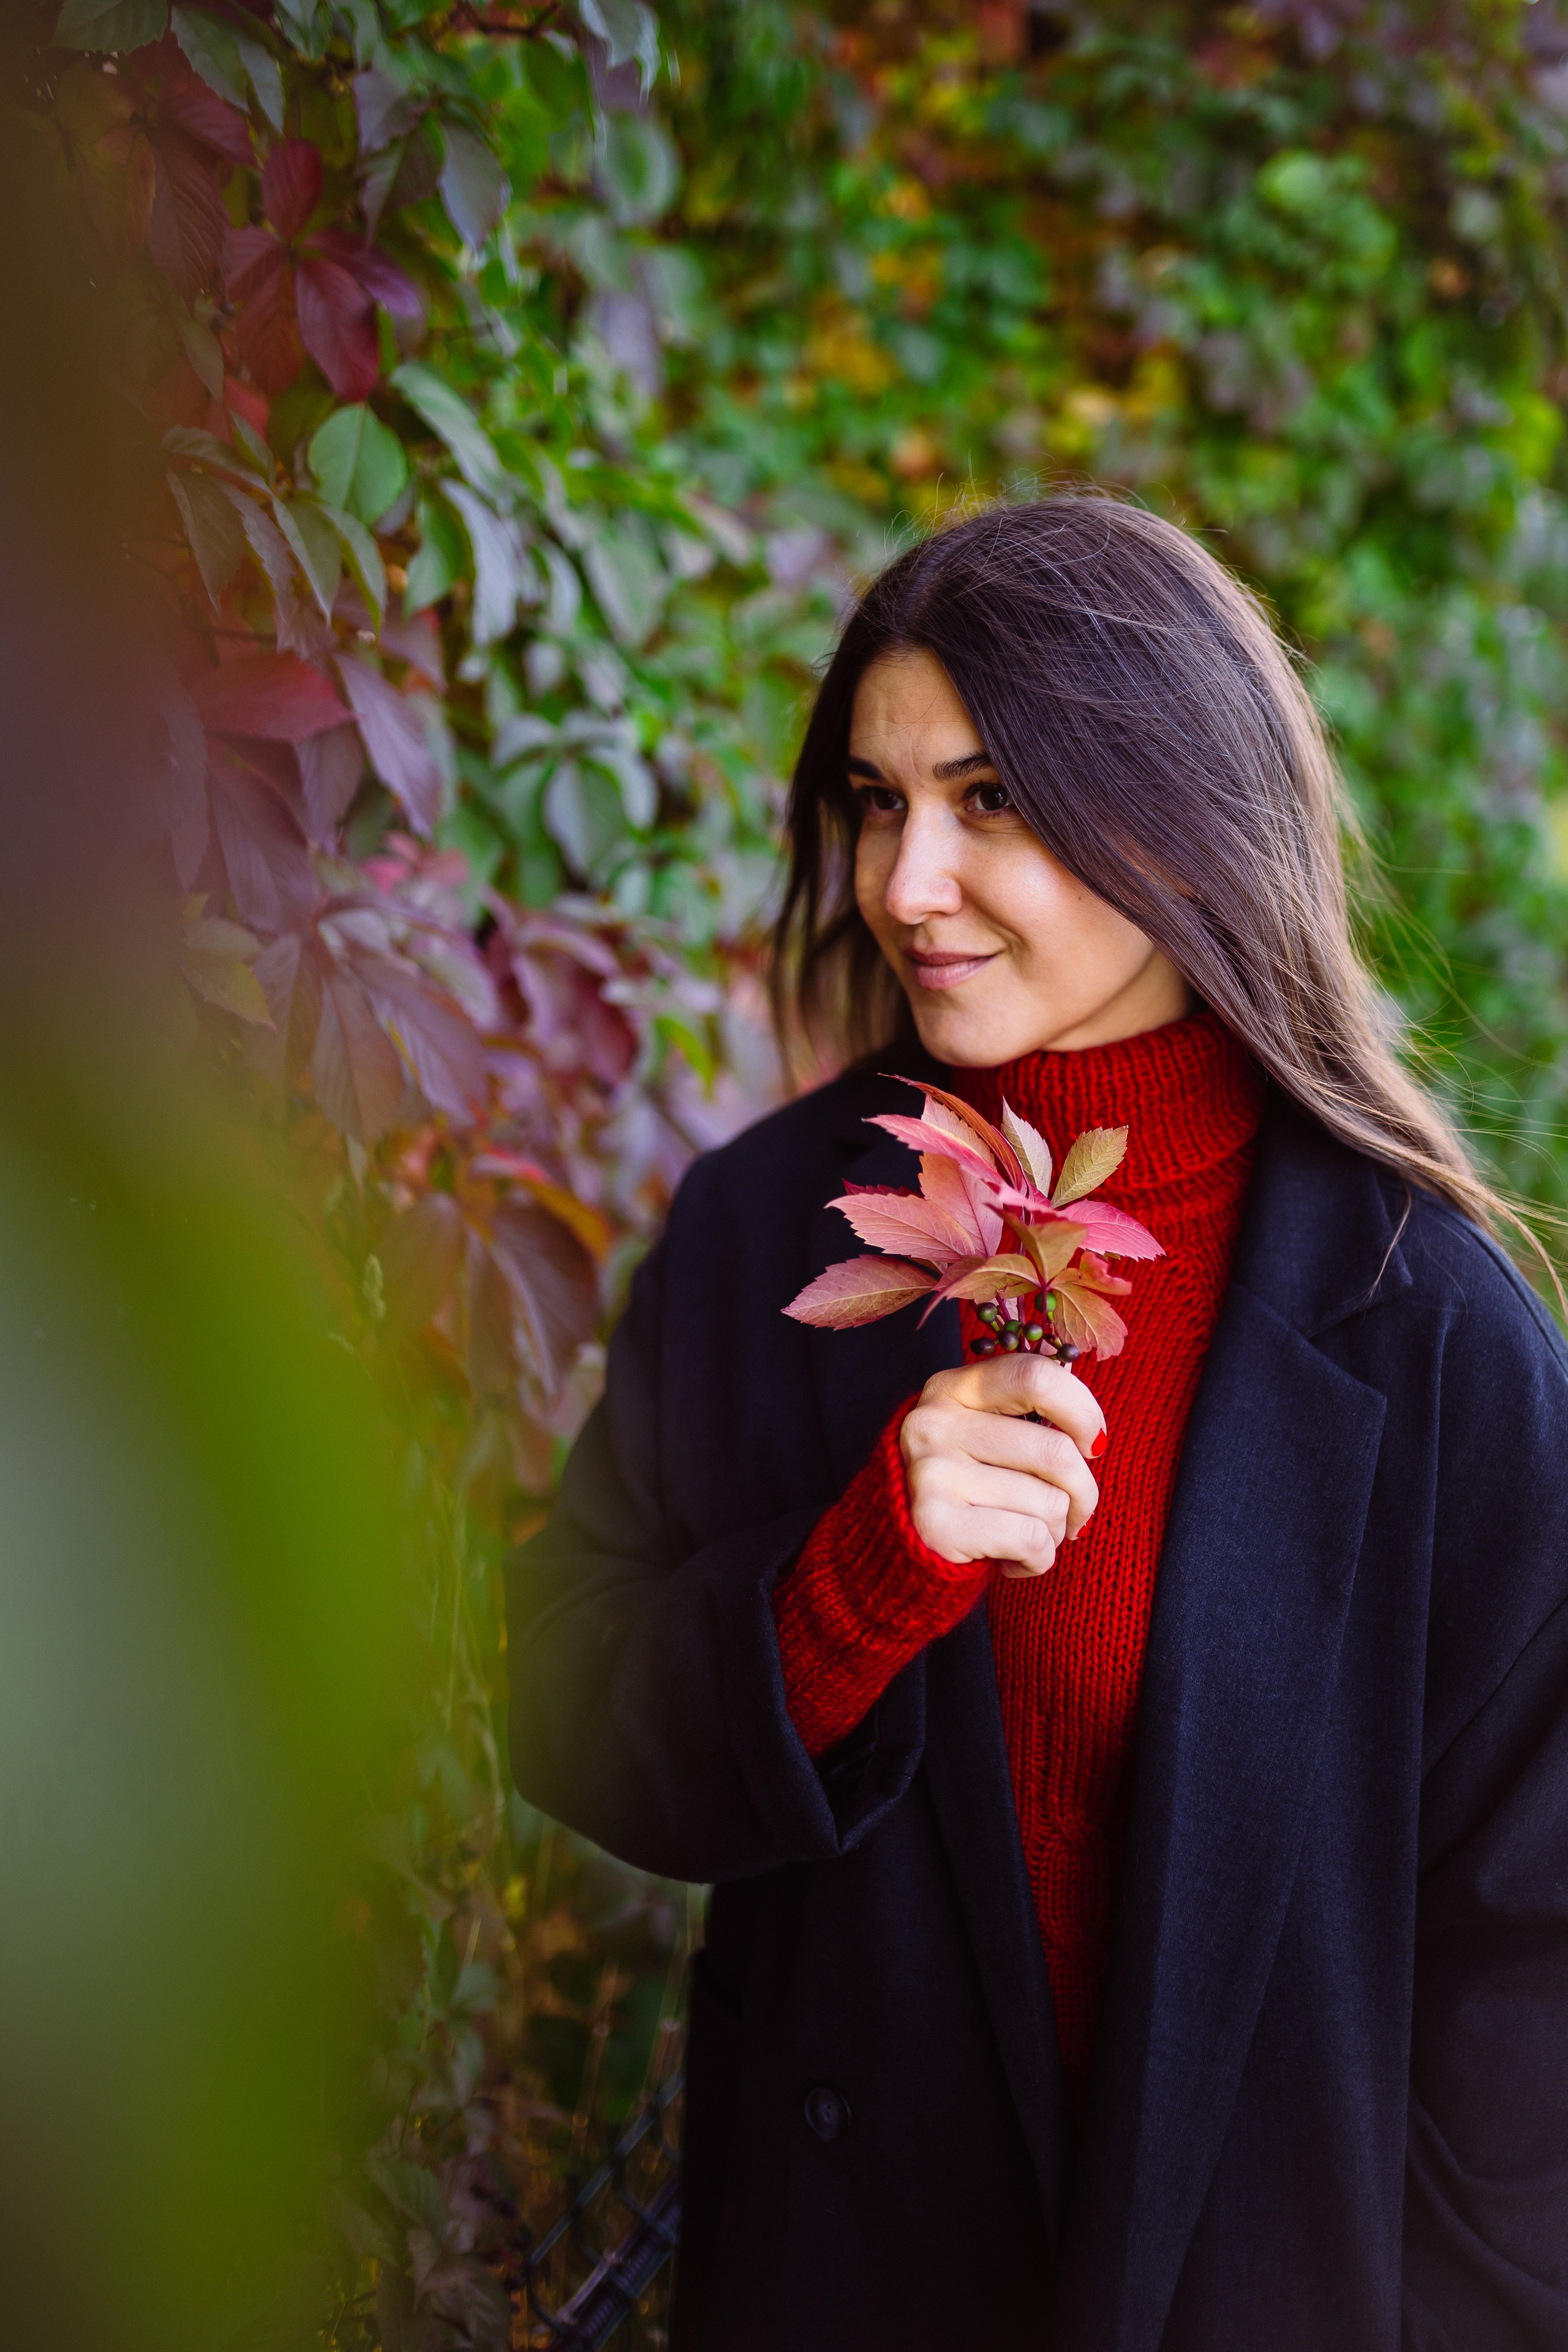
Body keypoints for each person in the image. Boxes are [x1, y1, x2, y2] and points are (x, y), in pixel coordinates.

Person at [505, 498, 1568, 2350]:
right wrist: (851, 1584)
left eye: (992, 799)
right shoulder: (771, 1238)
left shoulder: (1431, 1330)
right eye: (874, 800)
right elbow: (568, 1714)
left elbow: (1532, 1963)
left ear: (1181, 808)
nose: (907, 883)